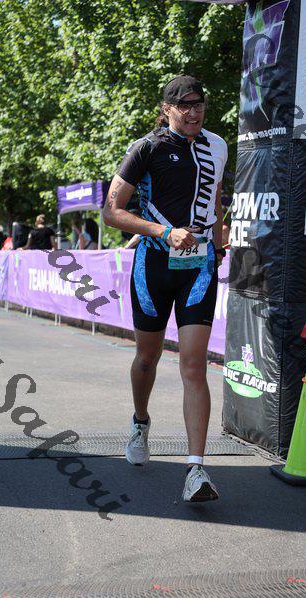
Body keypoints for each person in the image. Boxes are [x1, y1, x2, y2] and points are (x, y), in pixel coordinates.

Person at [103, 75, 228, 502]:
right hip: (153, 264)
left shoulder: (217, 146)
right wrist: (163, 231)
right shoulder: (146, 147)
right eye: (185, 105)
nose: (194, 112)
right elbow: (111, 212)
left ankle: (196, 470)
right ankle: (140, 421)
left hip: (199, 266)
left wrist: (219, 242)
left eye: (199, 104)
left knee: (194, 365)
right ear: (167, 108)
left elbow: (214, 200)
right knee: (147, 357)